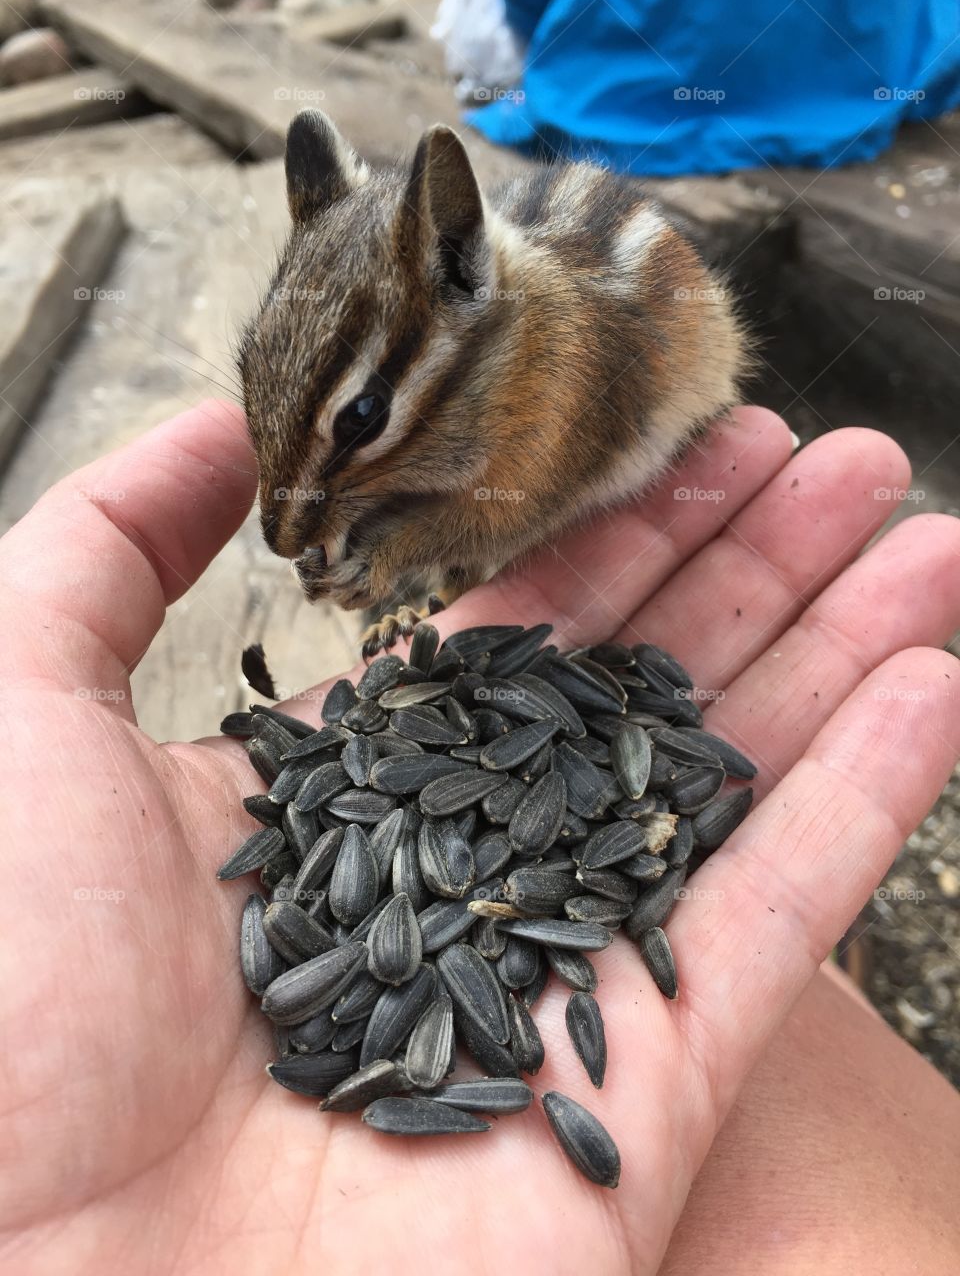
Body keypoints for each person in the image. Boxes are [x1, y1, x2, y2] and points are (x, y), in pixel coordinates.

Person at [1, 400, 957, 1275]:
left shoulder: (431, 831)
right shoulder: (375, 880)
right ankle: (826, 986)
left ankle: (823, 987)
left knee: (783, 991)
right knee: (811, 1026)